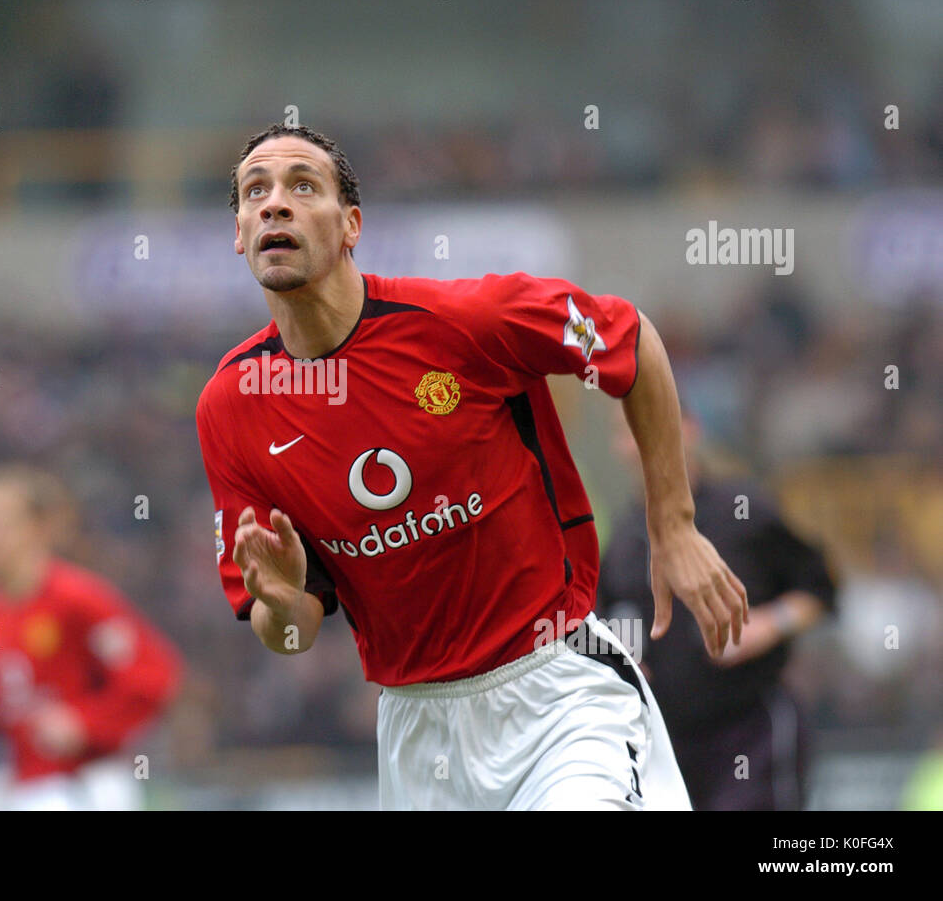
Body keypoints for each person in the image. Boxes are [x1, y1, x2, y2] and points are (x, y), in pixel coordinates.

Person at [195, 123, 748, 810]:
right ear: (240, 233)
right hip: (415, 732)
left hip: (557, 693)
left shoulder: (466, 320)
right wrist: (280, 604)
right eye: (256, 192)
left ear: (350, 226)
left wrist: (675, 525)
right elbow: (290, 632)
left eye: (302, 186)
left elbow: (628, 341)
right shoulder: (231, 406)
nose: (275, 203)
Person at [0, 463, 181, 810]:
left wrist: (85, 723)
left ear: (38, 528)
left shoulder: (78, 599)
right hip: (29, 786)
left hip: (88, 785)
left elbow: (154, 675)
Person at [597, 407, 837, 810]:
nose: (639, 442)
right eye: (626, 432)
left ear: (690, 430)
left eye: (648, 422)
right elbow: (606, 627)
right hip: (666, 742)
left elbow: (821, 588)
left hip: (750, 731)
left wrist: (769, 623)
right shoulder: (621, 542)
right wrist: (622, 661)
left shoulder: (744, 510)